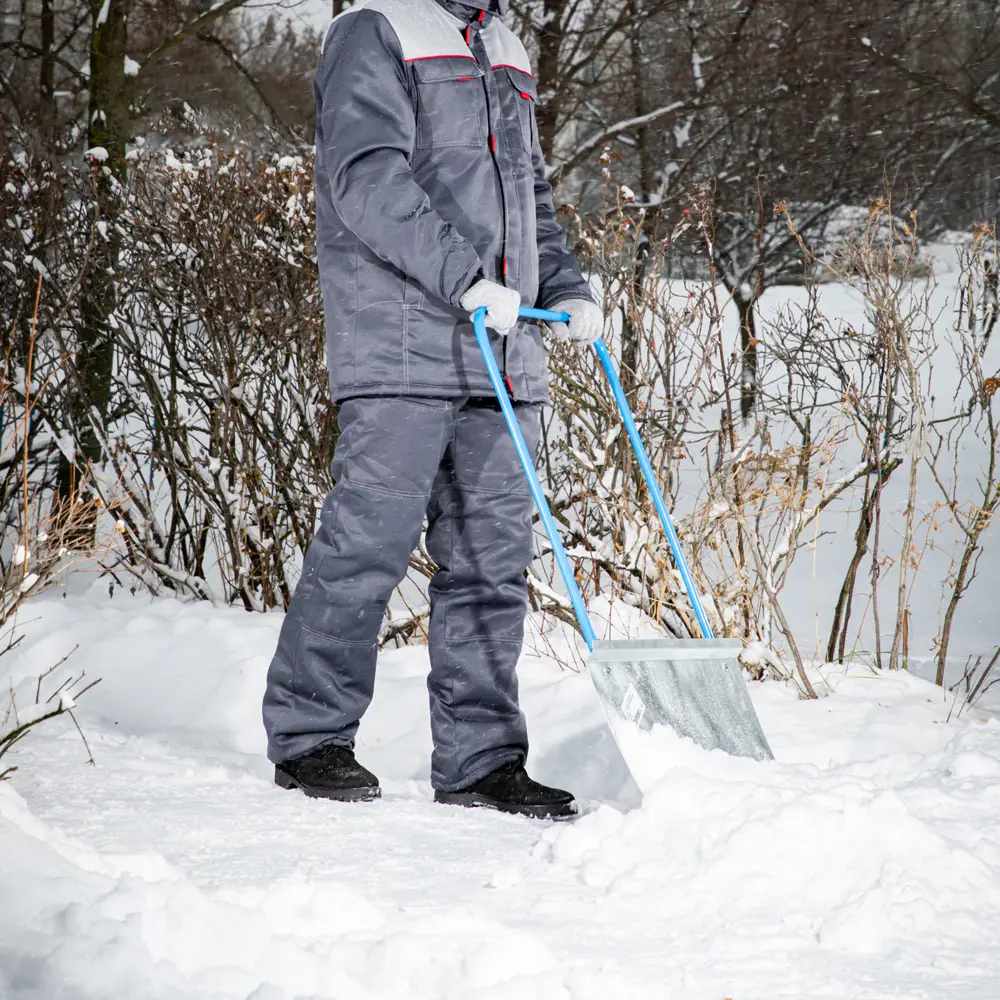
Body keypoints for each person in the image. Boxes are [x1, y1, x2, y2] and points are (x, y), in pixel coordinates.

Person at [261, 0, 601, 820]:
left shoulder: (506, 44)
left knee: (493, 564)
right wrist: (463, 278)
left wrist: (565, 286)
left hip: (505, 354)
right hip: (402, 347)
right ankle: (311, 736)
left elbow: (532, 202)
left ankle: (482, 760)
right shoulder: (378, 29)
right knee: (365, 548)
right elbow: (365, 177)